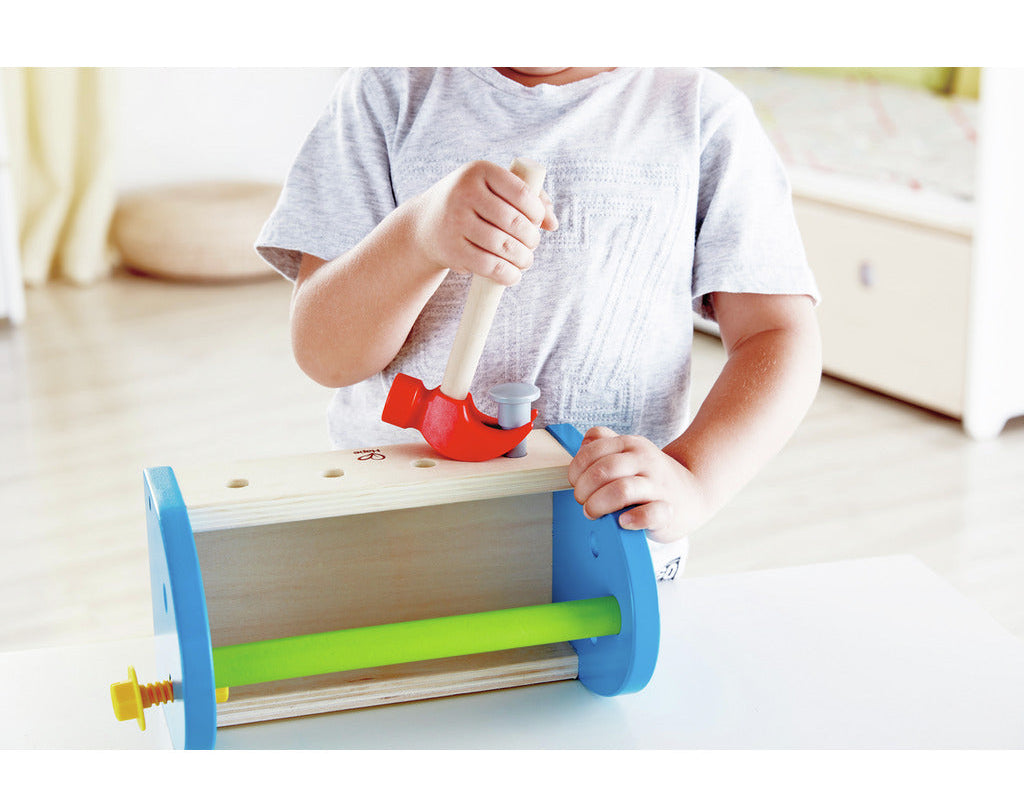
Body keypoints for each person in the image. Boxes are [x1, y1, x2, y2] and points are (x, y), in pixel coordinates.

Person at [256, 67, 822, 581]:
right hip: (398, 534)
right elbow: (324, 352)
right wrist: (417, 236)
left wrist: (692, 478)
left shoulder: (701, 113)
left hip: (608, 546)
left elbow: (776, 336)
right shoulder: (383, 93)